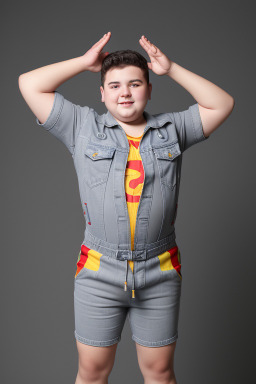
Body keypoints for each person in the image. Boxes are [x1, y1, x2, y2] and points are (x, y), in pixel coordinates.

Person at [18, 32, 235, 384]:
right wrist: (83, 63)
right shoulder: (82, 128)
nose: (125, 92)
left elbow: (222, 104)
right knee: (91, 374)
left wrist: (172, 68)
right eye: (114, 85)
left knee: (160, 374)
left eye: (135, 83)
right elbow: (29, 84)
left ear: (149, 89)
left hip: (160, 270)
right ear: (102, 93)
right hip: (98, 270)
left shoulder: (173, 129)